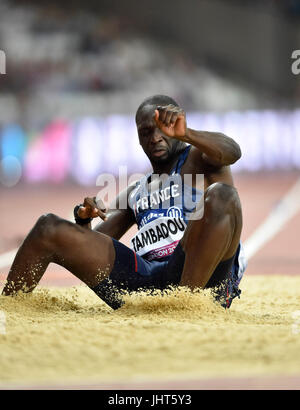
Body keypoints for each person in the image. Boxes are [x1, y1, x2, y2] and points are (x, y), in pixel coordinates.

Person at [2, 95, 247, 309]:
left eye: (162, 128)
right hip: (152, 284)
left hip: (203, 282)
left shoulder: (200, 159)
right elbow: (92, 244)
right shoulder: (136, 191)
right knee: (48, 227)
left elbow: (232, 152)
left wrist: (187, 134)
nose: (155, 138)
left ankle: (186, 307)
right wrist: (83, 217)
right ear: (139, 139)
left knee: (223, 196)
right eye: (146, 132)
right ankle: (10, 308)